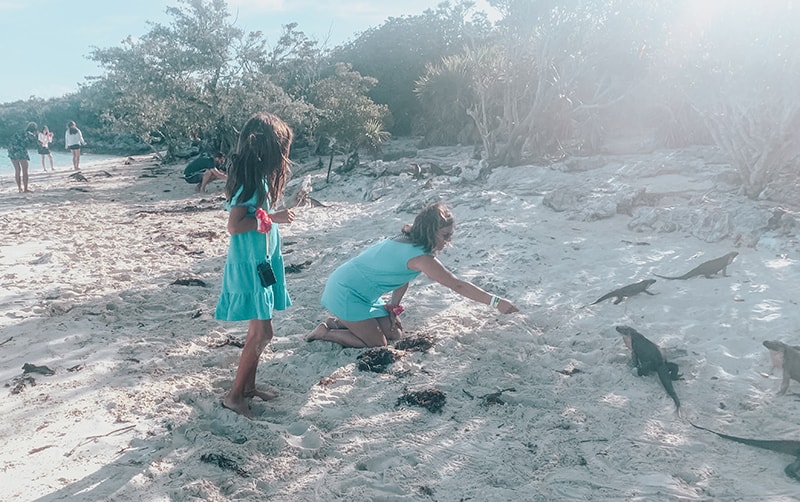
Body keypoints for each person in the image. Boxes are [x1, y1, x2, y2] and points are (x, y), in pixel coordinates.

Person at [307, 202, 520, 348]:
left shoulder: (410, 240)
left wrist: (393, 307)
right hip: (345, 292)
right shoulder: (421, 257)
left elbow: (402, 278)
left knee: (395, 334)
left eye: (451, 235)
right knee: (377, 343)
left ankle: (338, 322)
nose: (448, 241)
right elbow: (457, 285)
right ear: (429, 231)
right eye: (445, 236)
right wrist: (496, 302)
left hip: (364, 293)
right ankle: (325, 333)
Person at [215, 112, 296, 419]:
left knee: (262, 332)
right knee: (261, 334)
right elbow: (235, 225)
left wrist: (270, 218)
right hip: (249, 264)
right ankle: (234, 396)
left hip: (260, 261)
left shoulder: (257, 178)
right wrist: (272, 218)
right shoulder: (250, 183)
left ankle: (247, 389)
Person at [7, 122, 38, 193]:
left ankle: (19, 188)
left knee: (17, 170)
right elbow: (35, 143)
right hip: (20, 150)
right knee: (25, 170)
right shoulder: (30, 134)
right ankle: (25, 188)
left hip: (11, 149)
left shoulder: (20, 132)